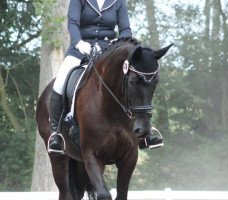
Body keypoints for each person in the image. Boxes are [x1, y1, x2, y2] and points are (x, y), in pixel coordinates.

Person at [48, 0, 163, 154]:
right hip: (81, 49)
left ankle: (145, 133)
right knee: (60, 82)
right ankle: (56, 133)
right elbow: (73, 23)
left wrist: (119, 43)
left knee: (135, 80)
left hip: (108, 51)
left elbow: (125, 29)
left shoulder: (118, 1)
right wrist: (79, 42)